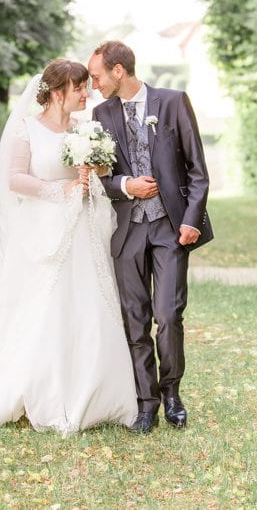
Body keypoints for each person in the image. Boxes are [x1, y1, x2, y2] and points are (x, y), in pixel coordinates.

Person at [0, 59, 137, 435]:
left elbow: (102, 173)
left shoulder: (85, 131)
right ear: (58, 91)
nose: (86, 93)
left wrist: (93, 172)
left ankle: (93, 392)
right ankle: (38, 391)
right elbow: (15, 179)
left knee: (88, 303)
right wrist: (58, 190)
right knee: (45, 305)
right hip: (43, 228)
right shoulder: (27, 130)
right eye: (79, 88)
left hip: (83, 228)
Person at [88, 40, 213, 434]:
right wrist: (126, 185)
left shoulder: (173, 102)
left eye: (97, 76)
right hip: (127, 231)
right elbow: (100, 178)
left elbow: (197, 169)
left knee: (169, 314)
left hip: (170, 229)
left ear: (118, 71)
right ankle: (146, 403)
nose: (94, 85)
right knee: (135, 319)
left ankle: (172, 394)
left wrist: (191, 219)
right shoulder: (100, 114)